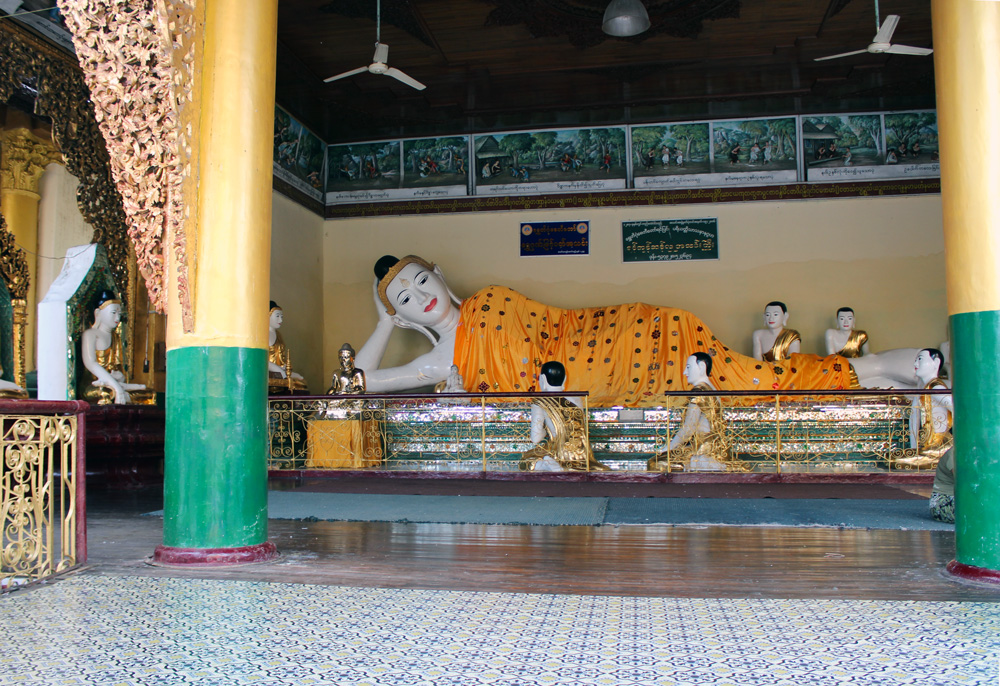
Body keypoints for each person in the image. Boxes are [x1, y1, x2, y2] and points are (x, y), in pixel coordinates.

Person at [355, 255, 869, 408]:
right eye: (403, 299)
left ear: (441, 275)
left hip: (598, 333)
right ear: (403, 316)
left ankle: (861, 371)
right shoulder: (441, 360)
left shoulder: (490, 298)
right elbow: (357, 381)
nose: (420, 293)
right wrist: (382, 326)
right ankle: (864, 372)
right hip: (584, 373)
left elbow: (553, 323)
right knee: (727, 376)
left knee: (685, 334)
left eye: (422, 279)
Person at [647, 353, 732, 473]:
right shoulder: (711, 388)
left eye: (688, 367)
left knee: (655, 463)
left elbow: (688, 428)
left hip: (703, 451)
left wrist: (667, 448)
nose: (684, 373)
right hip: (716, 448)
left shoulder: (699, 391)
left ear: (702, 367)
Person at [519, 361, 608, 472]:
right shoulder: (577, 398)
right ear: (565, 379)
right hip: (581, 454)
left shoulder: (539, 401)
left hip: (558, 451)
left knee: (525, 461)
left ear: (542, 379)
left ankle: (545, 464)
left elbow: (535, 438)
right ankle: (560, 464)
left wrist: (545, 431)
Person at [80, 291, 156, 405]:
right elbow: (92, 365)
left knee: (150, 394)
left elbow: (117, 370)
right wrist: (117, 388)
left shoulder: (115, 337)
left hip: (112, 384)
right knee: (106, 394)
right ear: (98, 313)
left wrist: (119, 379)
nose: (118, 317)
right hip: (94, 385)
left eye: (119, 313)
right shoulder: (90, 335)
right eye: (113, 312)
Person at [895, 348, 952, 468]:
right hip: (927, 446)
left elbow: (957, 409)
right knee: (896, 458)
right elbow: (914, 419)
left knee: (897, 461)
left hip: (940, 447)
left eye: (920, 359)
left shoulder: (936, 388)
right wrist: (914, 448)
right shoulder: (924, 388)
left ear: (935, 363)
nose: (916, 364)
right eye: (916, 360)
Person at [268, 301, 308, 394]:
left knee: (301, 380)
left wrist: (285, 368)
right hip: (269, 371)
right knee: (292, 383)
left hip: (281, 370)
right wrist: (281, 372)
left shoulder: (278, 335)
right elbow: (263, 360)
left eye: (281, 317)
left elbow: (281, 357)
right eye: (277, 316)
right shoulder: (263, 334)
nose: (280, 320)